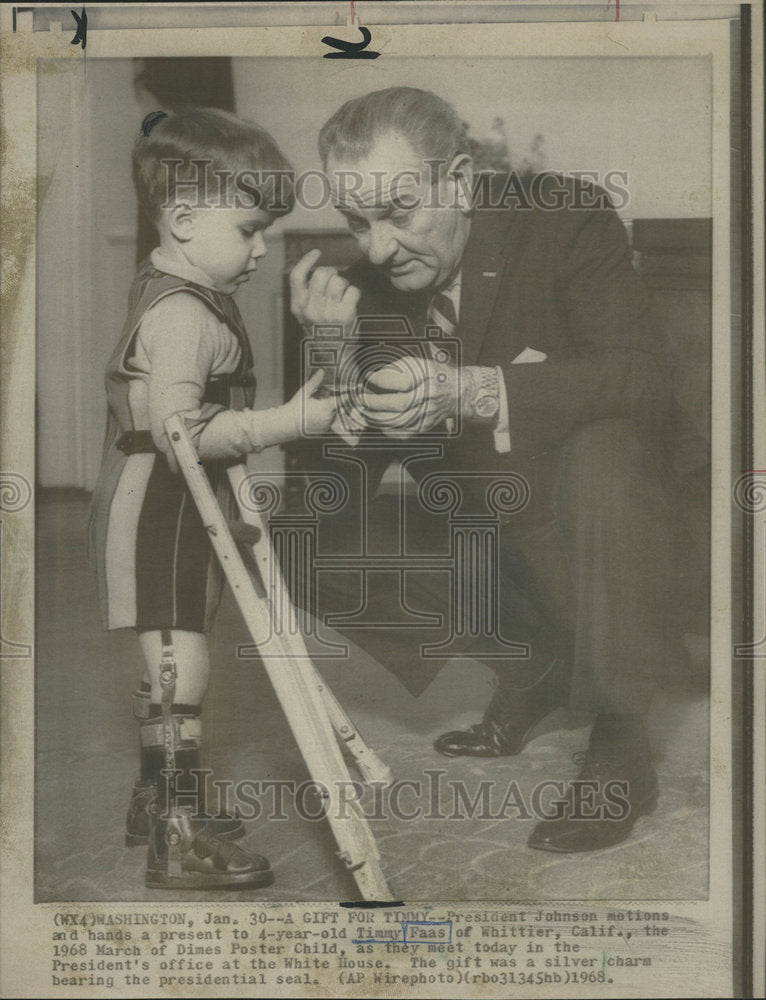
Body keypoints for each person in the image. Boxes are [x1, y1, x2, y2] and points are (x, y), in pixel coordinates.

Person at [290, 87, 685, 854]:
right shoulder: (361, 289)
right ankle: (533, 665)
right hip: (487, 514)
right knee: (299, 537)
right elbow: (331, 494)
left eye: (399, 212)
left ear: (462, 182)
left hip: (605, 510)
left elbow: (647, 379)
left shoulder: (564, 219)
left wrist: (474, 388)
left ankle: (621, 735)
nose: (376, 248)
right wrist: (333, 359)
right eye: (356, 220)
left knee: (608, 449)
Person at [88, 107, 336, 889]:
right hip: (159, 506)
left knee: (176, 660)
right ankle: (175, 836)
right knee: (179, 665)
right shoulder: (183, 315)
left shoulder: (183, 283)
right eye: (251, 230)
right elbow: (182, 434)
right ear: (187, 220)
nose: (263, 249)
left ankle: (157, 799)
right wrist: (290, 421)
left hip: (180, 506)